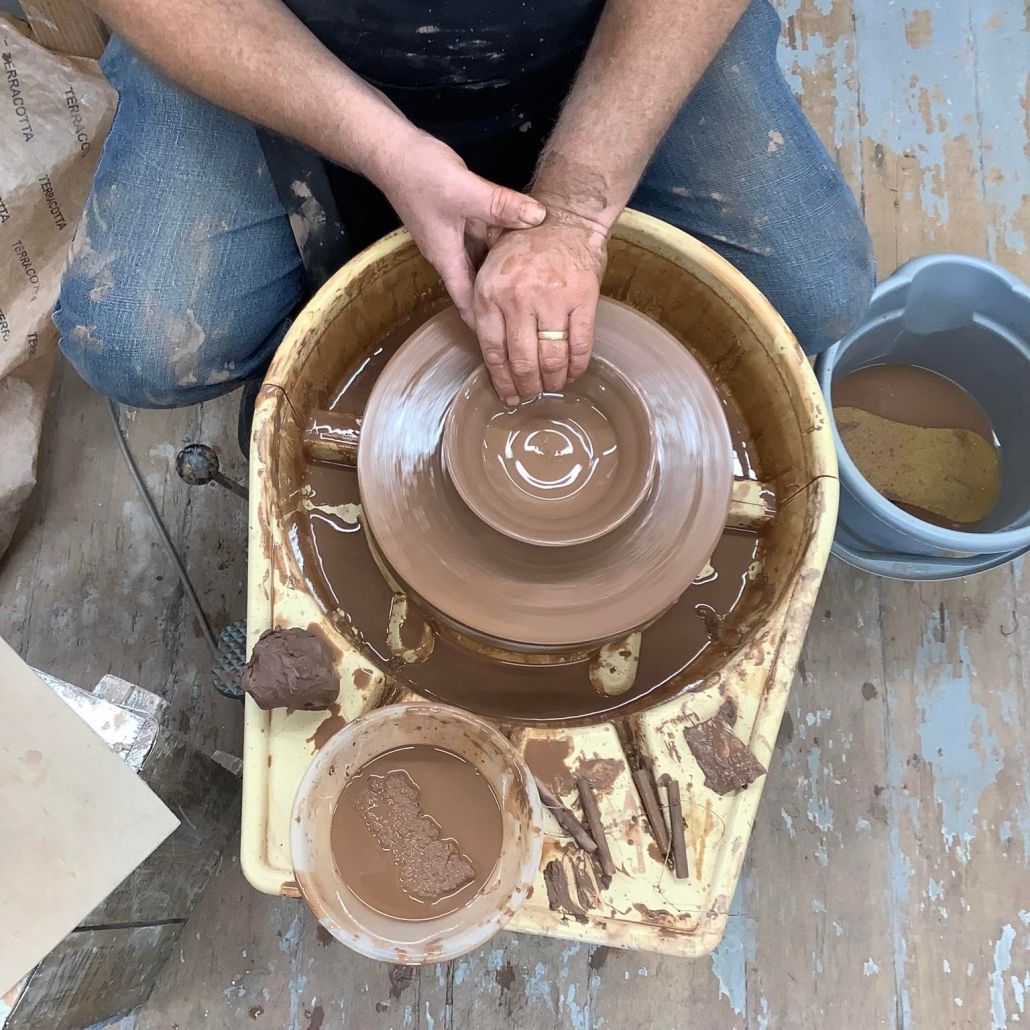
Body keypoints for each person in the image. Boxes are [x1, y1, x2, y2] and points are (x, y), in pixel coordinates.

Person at [56, 0, 874, 415]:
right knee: (137, 342)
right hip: (270, 37)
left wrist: (578, 208)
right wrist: (385, 149)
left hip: (608, 27)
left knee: (810, 302)